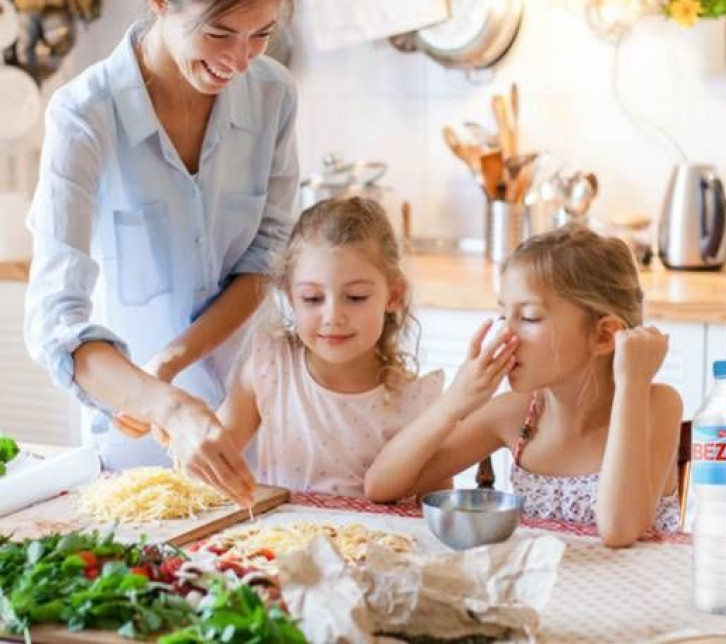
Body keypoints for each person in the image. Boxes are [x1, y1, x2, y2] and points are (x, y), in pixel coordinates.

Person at [24, 0, 299, 506]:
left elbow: (267, 255)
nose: (240, 61)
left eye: (261, 34)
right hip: (133, 445)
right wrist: (168, 407)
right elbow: (55, 323)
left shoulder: (272, 94)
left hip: (254, 427)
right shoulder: (84, 115)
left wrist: (172, 360)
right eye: (219, 34)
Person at [365, 224, 684, 547]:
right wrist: (452, 405)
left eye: (529, 318)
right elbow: (382, 486)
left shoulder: (655, 405)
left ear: (603, 335)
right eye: (504, 316)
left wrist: (631, 382)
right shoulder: (517, 415)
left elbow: (618, 529)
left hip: (636, 594)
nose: (504, 335)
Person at [216, 197, 444, 497]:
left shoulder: (417, 403)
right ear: (290, 296)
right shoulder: (270, 368)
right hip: (277, 543)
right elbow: (211, 459)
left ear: (394, 294)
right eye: (312, 298)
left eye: (356, 297)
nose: (333, 316)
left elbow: (436, 515)